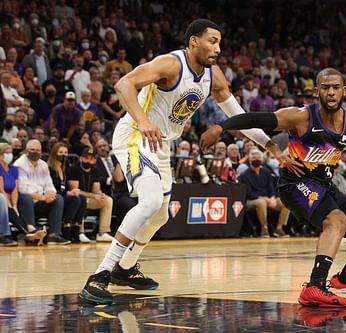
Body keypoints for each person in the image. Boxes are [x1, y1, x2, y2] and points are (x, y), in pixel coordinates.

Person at [80, 19, 294, 304]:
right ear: (194, 41)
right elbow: (124, 84)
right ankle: (100, 275)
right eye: (212, 41)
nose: (217, 48)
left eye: (219, 42)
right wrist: (143, 121)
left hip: (161, 143)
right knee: (151, 201)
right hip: (135, 134)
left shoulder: (213, 76)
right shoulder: (170, 64)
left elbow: (240, 116)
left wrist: (271, 147)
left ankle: (125, 268)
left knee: (160, 214)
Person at [201, 68, 346, 307]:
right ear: (317, 92)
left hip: (324, 185)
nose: (331, 92)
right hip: (295, 183)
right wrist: (220, 127)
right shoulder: (301, 117)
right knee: (337, 220)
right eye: (325, 88)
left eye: (335, 87)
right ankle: (315, 286)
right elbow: (254, 118)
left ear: (344, 91)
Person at [14, 139, 69, 244]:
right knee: (26, 197)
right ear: (26, 151)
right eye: (32, 150)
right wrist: (43, 197)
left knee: (58, 198)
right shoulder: (19, 165)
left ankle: (54, 234)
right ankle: (32, 232)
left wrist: (51, 194)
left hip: (41, 201)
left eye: (38, 150)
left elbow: (49, 185)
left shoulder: (43, 165)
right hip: (25, 203)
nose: (35, 152)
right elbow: (23, 189)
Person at [238, 147, 290, 237]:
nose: (256, 160)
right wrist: (263, 198)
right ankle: (264, 228)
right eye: (254, 158)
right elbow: (247, 193)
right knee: (261, 202)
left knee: (286, 202)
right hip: (252, 200)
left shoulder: (266, 172)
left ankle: (279, 228)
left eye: (258, 158)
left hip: (267, 198)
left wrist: (272, 197)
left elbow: (271, 188)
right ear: (250, 160)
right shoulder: (244, 175)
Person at [67, 147, 114, 243]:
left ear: (95, 160)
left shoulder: (95, 170)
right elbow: (75, 190)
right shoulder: (73, 169)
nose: (89, 160)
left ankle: (102, 233)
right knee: (81, 200)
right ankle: (81, 232)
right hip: (75, 199)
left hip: (89, 199)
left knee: (108, 200)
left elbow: (96, 190)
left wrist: (101, 195)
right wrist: (94, 196)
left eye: (91, 158)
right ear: (81, 158)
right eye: (86, 158)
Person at [47, 142, 86, 243]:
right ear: (54, 153)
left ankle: (76, 228)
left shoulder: (65, 169)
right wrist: (69, 193)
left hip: (63, 195)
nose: (64, 155)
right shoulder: (49, 169)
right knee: (74, 199)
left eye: (66, 152)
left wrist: (72, 191)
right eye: (60, 152)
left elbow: (65, 187)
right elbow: (52, 188)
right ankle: (66, 227)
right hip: (54, 196)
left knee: (82, 198)